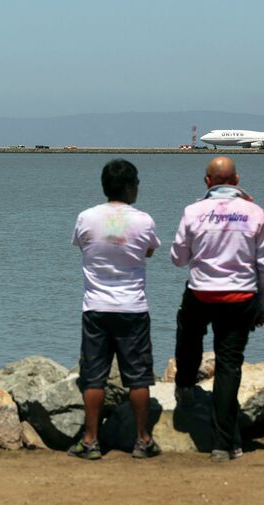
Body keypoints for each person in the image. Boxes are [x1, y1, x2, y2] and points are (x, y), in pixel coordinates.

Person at [171, 156, 264, 463]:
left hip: (201, 292)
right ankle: (224, 444)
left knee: (189, 334)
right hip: (240, 296)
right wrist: (263, 302)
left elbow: (178, 258)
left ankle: (185, 386)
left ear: (207, 182)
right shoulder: (254, 212)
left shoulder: (194, 211)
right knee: (230, 365)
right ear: (237, 179)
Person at [69, 159, 161, 460]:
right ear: (129, 186)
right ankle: (143, 439)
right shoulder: (144, 220)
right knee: (138, 377)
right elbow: (148, 249)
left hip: (96, 306)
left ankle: (90, 440)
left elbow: (82, 246)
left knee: (93, 376)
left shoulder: (86, 217)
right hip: (132, 307)